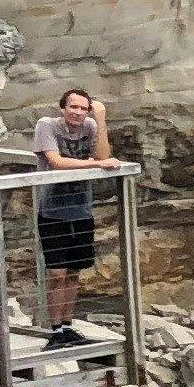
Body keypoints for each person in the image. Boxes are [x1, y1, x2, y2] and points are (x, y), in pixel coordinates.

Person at [31, 87, 111, 343]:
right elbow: (56, 162)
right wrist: (95, 164)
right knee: (57, 273)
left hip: (81, 210)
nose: (78, 112)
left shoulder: (89, 126)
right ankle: (55, 329)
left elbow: (103, 154)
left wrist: (100, 120)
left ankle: (67, 326)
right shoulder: (47, 126)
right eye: (73, 107)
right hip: (53, 210)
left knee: (75, 271)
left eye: (83, 108)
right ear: (63, 108)